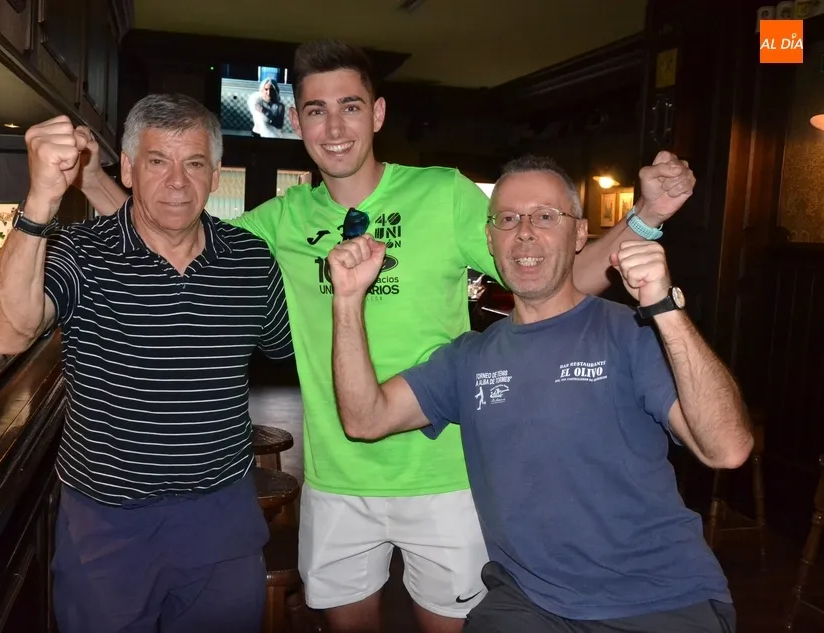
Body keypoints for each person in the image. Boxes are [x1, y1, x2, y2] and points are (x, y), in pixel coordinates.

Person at [72, 40, 698, 633]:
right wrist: (95, 181)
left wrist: (646, 219)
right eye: (316, 110)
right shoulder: (277, 223)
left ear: (376, 114)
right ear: (296, 121)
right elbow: (168, 223)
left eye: (349, 106)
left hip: (444, 472)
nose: (335, 126)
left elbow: (567, 277)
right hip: (336, 476)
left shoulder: (442, 193)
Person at [327, 155, 753, 633]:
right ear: (490, 239)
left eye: (546, 217)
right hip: (531, 605)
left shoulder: (629, 333)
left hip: (658, 599)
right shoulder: (469, 358)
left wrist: (663, 308)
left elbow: (728, 449)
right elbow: (364, 420)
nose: (524, 233)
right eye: (508, 219)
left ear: (578, 235)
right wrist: (347, 299)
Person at [0, 94, 293, 633]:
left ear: (215, 175)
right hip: (107, 524)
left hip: (222, 517)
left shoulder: (249, 258)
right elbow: (7, 333)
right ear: (126, 168)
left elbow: (294, 349)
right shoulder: (79, 251)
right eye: (157, 161)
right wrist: (39, 202)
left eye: (194, 163)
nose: (178, 181)